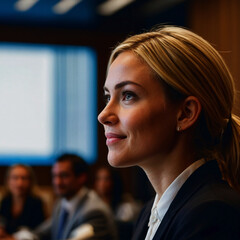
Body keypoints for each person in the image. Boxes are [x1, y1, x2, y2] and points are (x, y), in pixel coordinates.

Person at [97, 25, 240, 239]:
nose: (103, 115)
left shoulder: (212, 214)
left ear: (185, 113)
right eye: (108, 97)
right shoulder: (149, 214)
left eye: (127, 95)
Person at [35, 153, 117, 240]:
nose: (57, 182)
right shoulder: (62, 202)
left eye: (64, 176)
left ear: (81, 177)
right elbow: (42, 232)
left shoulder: (94, 211)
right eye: (54, 176)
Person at [0, 164, 45, 239]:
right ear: (8, 180)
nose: (19, 183)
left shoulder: (36, 203)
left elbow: (37, 233)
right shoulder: (5, 201)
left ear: (30, 181)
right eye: (15, 178)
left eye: (24, 178)